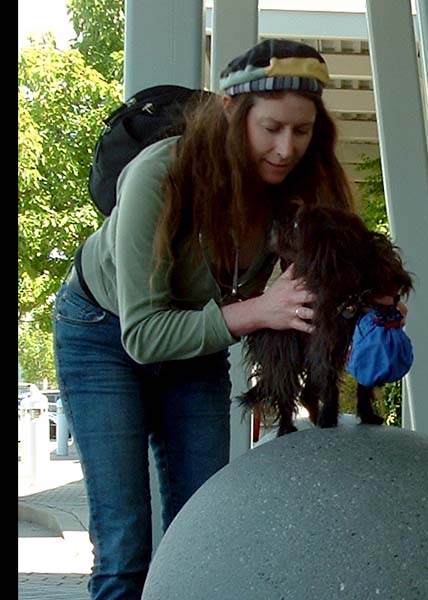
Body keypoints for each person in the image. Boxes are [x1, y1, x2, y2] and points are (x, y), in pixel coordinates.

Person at [52, 39, 361, 600]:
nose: (286, 149)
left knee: (204, 531)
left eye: (302, 130)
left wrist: (376, 300)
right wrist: (259, 310)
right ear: (233, 114)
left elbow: (338, 269)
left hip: (197, 340)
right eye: (271, 128)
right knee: (125, 548)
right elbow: (144, 336)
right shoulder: (159, 173)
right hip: (102, 336)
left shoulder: (299, 187)